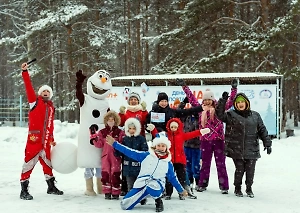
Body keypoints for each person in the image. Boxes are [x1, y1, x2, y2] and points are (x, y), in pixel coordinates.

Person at [176, 78, 237, 194]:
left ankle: (224, 186)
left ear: (213, 99)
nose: (207, 102)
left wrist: (234, 89)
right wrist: (184, 86)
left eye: (209, 99)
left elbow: (230, 102)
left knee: (221, 164)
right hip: (205, 141)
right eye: (205, 100)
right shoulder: (200, 110)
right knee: (205, 164)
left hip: (219, 140)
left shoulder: (219, 109)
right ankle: (202, 184)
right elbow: (191, 98)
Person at [105, 132, 188, 212]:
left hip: (157, 185)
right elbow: (129, 152)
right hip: (142, 183)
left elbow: (173, 178)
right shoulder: (146, 155)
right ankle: (142, 196)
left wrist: (181, 190)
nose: (160, 147)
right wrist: (115, 144)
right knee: (125, 205)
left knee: (152, 186)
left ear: (166, 147)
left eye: (163, 146)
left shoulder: (168, 163)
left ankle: (158, 201)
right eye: (158, 145)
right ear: (155, 146)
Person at [19, 62, 63, 200]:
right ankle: (24, 189)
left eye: (48, 92)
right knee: (29, 163)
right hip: (34, 140)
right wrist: (25, 72)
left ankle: (51, 186)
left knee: (48, 164)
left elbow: (50, 125)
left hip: (45, 142)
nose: (45, 93)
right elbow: (28, 87)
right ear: (40, 93)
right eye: (44, 91)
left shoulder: (51, 108)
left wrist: (51, 138)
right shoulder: (34, 102)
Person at [216, 92, 272, 198]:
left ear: (247, 103)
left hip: (252, 148)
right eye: (238, 102)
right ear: (235, 104)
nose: (240, 104)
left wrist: (267, 143)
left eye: (242, 102)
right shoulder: (231, 114)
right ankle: (237, 188)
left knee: (250, 171)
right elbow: (219, 115)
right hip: (236, 149)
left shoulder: (255, 115)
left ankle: (249, 188)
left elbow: (262, 129)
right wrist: (222, 101)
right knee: (240, 169)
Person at [147, 118, 210, 200]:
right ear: (169, 127)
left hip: (180, 161)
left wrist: (201, 132)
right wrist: (153, 129)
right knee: (169, 178)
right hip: (169, 161)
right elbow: (157, 136)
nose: (173, 129)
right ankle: (168, 193)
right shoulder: (166, 136)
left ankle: (182, 192)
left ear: (178, 127)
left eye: (175, 127)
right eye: (172, 127)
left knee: (182, 178)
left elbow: (192, 134)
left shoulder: (182, 135)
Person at [90, 111, 125, 200]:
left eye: (112, 119)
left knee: (115, 173)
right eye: (109, 120)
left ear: (115, 120)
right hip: (105, 156)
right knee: (106, 174)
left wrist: (119, 151)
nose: (110, 121)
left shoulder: (120, 132)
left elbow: (122, 144)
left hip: (115, 156)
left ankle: (116, 192)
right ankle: (107, 192)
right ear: (106, 121)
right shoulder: (102, 132)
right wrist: (93, 137)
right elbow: (99, 144)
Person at [115, 117, 149, 201]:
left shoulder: (141, 139)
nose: (132, 130)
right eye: (130, 128)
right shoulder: (125, 139)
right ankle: (131, 199)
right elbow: (122, 150)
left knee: (139, 184)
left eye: (134, 128)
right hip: (128, 167)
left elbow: (144, 150)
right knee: (130, 184)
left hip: (138, 167)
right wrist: (117, 152)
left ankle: (142, 198)